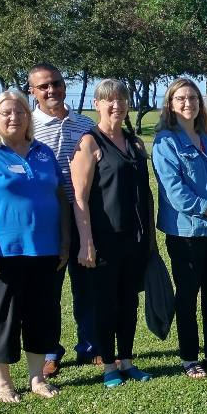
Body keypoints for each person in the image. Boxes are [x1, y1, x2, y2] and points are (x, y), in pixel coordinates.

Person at [0, 91, 69, 402]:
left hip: (44, 251)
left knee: (42, 315)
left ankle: (36, 379)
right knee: (2, 317)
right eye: (5, 112)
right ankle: (2, 382)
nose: (13, 118)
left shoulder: (43, 152)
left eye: (19, 112)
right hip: (0, 253)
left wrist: (64, 241)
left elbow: (59, 198)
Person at [153, 78, 207, 379]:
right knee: (188, 295)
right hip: (186, 232)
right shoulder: (165, 142)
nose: (188, 103)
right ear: (170, 104)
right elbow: (174, 189)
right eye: (180, 99)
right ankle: (190, 356)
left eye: (192, 97)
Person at [70, 80, 155, 388]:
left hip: (134, 238)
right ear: (97, 104)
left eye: (121, 99)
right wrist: (86, 241)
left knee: (128, 302)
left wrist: (150, 240)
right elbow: (79, 197)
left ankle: (128, 361)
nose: (116, 105)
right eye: (108, 100)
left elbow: (145, 194)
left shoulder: (135, 143)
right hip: (104, 239)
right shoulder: (89, 142)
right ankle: (108, 366)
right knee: (105, 304)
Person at [28, 63, 97, 378]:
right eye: (43, 86)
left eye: (55, 83)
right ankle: (50, 352)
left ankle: (91, 346)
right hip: (48, 219)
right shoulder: (26, 127)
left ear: (64, 85)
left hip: (84, 213)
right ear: (33, 91)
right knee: (48, 291)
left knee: (87, 286)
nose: (50, 90)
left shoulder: (84, 123)